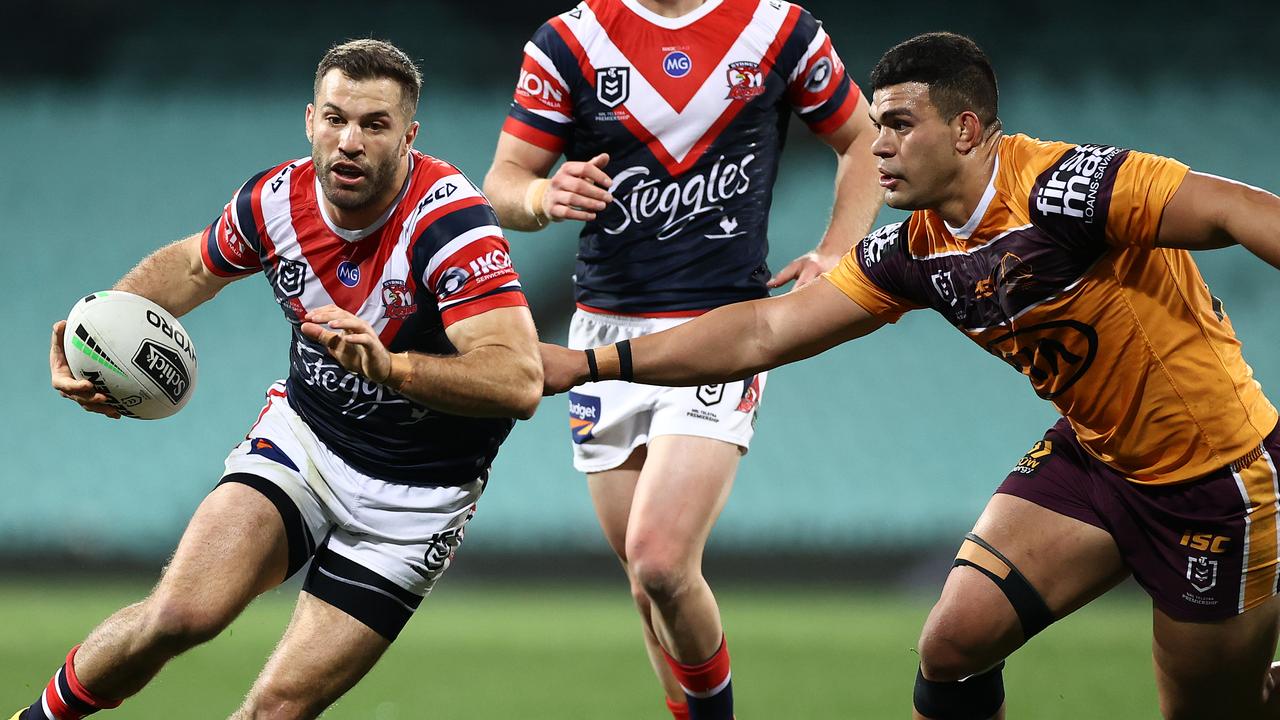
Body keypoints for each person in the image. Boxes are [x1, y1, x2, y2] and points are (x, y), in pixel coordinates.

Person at [541, 31, 1280, 720]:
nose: (877, 146)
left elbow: (1236, 210)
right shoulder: (915, 250)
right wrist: (586, 365)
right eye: (873, 125)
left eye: (897, 125)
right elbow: (766, 330)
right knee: (951, 648)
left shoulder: (1070, 187)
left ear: (963, 130)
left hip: (1214, 483)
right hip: (1096, 459)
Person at [23, 39, 542, 720]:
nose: (349, 141)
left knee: (278, 708)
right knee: (178, 614)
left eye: (374, 125)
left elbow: (518, 379)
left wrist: (393, 368)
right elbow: (188, 268)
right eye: (335, 119)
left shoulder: (451, 224)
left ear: (409, 136)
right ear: (309, 121)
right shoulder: (276, 200)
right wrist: (97, 334)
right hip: (307, 442)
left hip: (418, 499)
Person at [482, 1, 881, 717]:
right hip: (603, 330)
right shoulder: (571, 39)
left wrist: (839, 249)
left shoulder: (778, 29)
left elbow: (862, 140)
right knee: (645, 583)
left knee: (663, 559)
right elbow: (503, 183)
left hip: (718, 333)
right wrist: (544, 193)